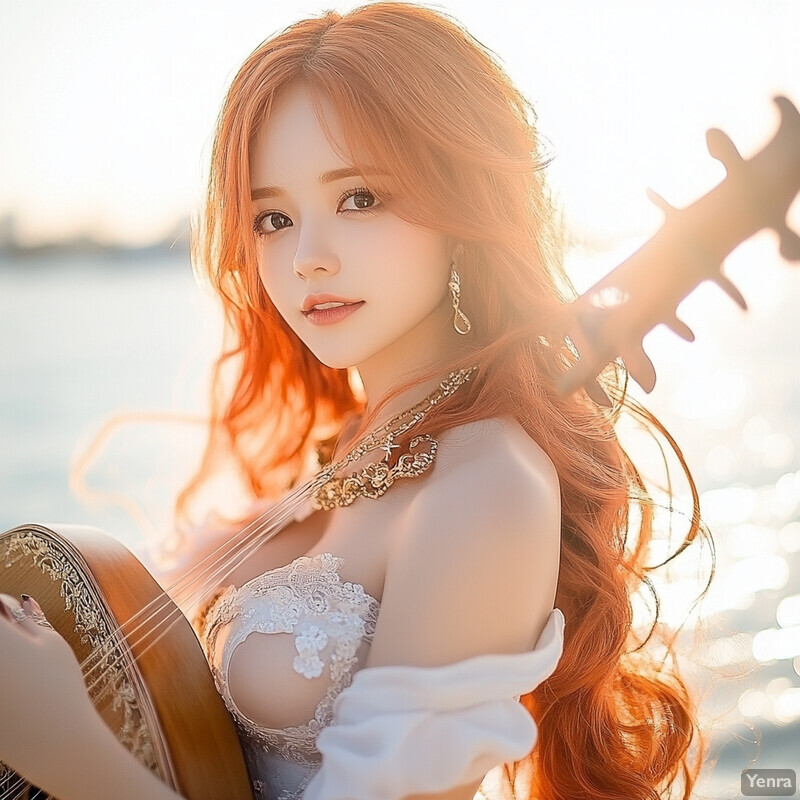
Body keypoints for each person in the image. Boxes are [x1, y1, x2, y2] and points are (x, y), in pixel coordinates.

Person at [0, 3, 712, 799]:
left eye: (360, 198)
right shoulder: (346, 448)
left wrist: (61, 745)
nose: (308, 258)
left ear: (463, 203)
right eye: (273, 218)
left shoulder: (489, 484)